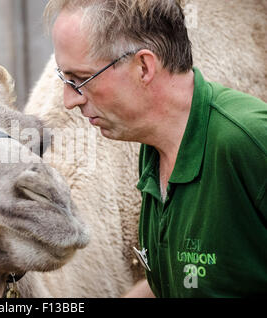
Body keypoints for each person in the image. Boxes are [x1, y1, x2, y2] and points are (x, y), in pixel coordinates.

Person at [46, 0, 267, 297]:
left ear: (144, 66)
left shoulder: (249, 142)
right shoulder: (154, 152)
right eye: (64, 79)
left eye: (81, 79)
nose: (69, 100)